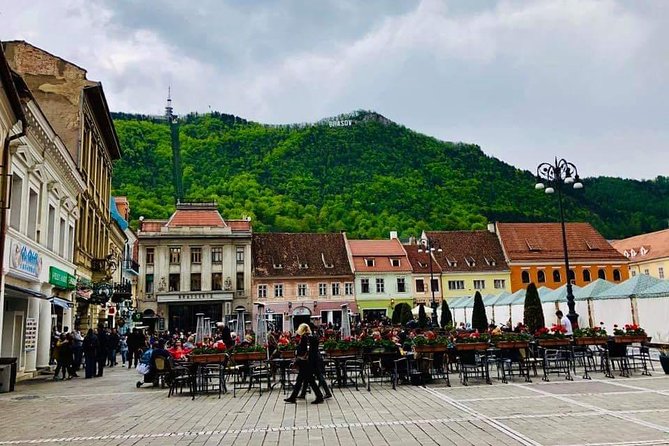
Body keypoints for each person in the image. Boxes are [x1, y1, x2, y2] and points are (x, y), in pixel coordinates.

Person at [284, 323, 324, 404]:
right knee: (300, 380)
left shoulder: (305, 338)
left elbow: (303, 350)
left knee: (310, 380)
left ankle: (319, 396)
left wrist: (297, 352)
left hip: (305, 363)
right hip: (310, 362)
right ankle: (293, 397)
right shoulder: (312, 338)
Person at [298, 328, 331, 400]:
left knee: (318, 377)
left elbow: (309, 351)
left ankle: (327, 393)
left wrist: (304, 358)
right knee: (308, 377)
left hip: (315, 362)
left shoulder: (311, 339)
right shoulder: (311, 339)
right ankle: (303, 394)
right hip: (315, 361)